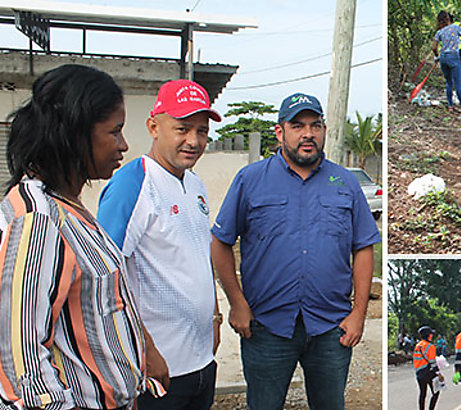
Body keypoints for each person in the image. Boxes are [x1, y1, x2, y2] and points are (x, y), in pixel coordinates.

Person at [210, 92, 381, 410]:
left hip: (331, 328)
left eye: (315, 126)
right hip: (266, 327)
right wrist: (237, 304)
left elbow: (363, 247)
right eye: (297, 125)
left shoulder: (343, 182)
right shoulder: (251, 180)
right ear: (280, 132)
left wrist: (358, 314)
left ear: (324, 130)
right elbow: (220, 242)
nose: (307, 134)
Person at [0, 64, 151, 409]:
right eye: (115, 132)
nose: (123, 145)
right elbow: (21, 360)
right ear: (75, 133)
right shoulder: (38, 220)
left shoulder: (66, 206)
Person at [98, 79, 223, 410]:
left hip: (200, 361)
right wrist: (145, 349)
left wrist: (214, 316)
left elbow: (199, 254)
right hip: (159, 370)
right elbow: (105, 275)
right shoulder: (133, 185)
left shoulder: (195, 184)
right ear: (154, 126)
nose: (193, 141)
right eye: (182, 129)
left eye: (201, 131)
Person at [432, 10, 461, 111]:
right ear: (448, 18)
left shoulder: (439, 32)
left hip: (443, 57)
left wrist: (436, 56)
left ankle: (450, 105)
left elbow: (434, 48)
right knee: (458, 83)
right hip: (453, 56)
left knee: (448, 82)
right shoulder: (456, 28)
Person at [414, 326, 443, 410]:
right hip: (429, 372)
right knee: (436, 392)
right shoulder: (430, 346)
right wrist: (438, 373)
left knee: (422, 393)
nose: (432, 336)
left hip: (419, 373)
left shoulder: (418, 345)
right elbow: (432, 363)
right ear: (428, 335)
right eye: (431, 334)